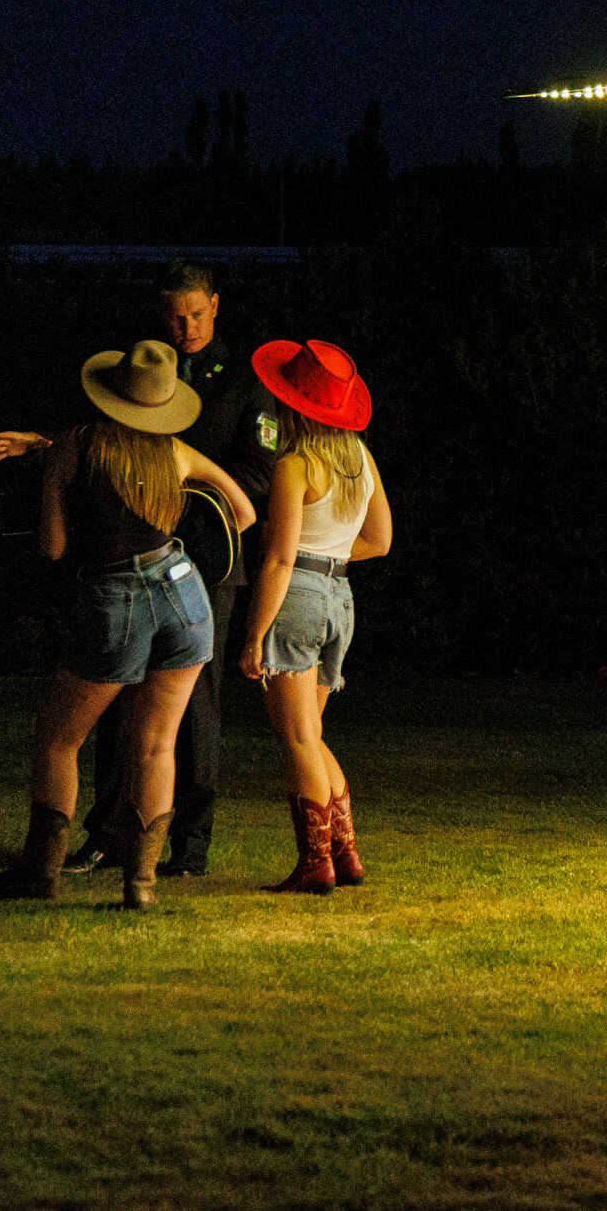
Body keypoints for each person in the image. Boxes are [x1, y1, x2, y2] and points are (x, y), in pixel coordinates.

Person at [0, 261, 280, 877]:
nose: (186, 325)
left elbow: (254, 482)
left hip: (202, 564)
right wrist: (51, 446)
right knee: (127, 715)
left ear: (216, 306)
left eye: (196, 313)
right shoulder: (151, 380)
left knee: (188, 715)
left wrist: (178, 515)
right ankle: (115, 843)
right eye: (175, 314)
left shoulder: (243, 386)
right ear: (159, 314)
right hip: (167, 576)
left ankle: (188, 846)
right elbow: (113, 445)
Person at [238, 339, 392, 894]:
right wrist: (332, 555)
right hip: (340, 596)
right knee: (312, 732)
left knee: (297, 737)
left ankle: (315, 863)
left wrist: (254, 636)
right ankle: (345, 852)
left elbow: (278, 557)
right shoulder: (359, 458)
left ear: (292, 405)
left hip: (298, 594)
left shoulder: (296, 465)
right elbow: (380, 539)